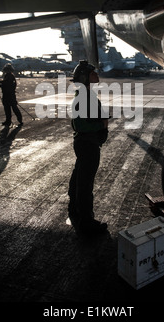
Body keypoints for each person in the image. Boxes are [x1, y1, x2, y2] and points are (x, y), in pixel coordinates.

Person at [68, 60, 109, 235]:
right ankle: (87, 222)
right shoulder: (84, 97)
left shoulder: (85, 95)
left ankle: (74, 209)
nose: (97, 75)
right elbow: (80, 125)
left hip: (85, 143)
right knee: (86, 183)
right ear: (85, 77)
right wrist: (102, 125)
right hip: (88, 144)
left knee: (79, 177)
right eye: (93, 73)